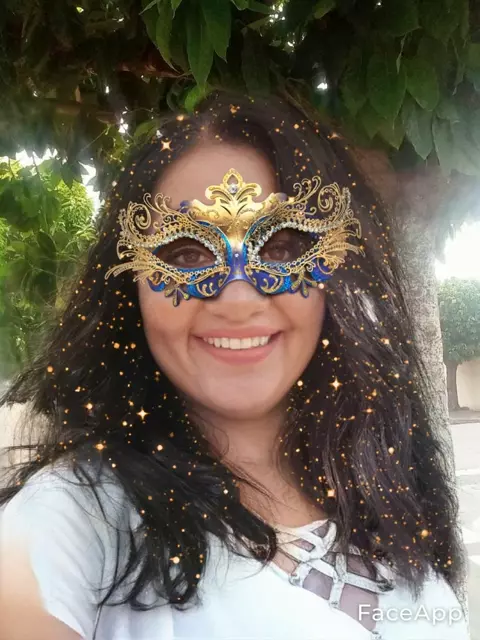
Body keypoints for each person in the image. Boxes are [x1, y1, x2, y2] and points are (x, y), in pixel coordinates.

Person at [0, 93, 470, 640]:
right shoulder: (77, 518)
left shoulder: (380, 482)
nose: (239, 298)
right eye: (187, 253)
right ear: (130, 287)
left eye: (282, 247)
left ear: (337, 273)